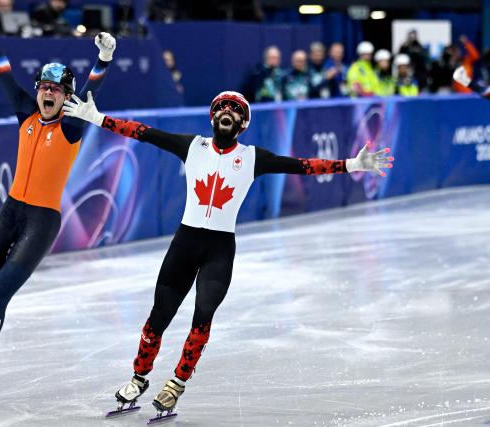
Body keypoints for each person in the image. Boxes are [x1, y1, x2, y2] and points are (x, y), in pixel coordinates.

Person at [62, 90, 394, 416]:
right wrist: (96, 118)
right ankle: (138, 378)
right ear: (212, 116)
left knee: (202, 318)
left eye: (235, 109)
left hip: (219, 250)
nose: (227, 111)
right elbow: (143, 133)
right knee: (157, 318)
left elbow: (303, 166)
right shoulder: (192, 147)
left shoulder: (253, 158)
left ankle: (175, 384)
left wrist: (352, 164)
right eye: (222, 106)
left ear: (243, 123)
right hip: (185, 244)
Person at [0, 3, 116, 398]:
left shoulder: (71, 125)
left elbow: (91, 89)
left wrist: (104, 59)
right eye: (44, 88)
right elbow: (1, 68)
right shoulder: (26, 115)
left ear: (66, 96)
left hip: (42, 220)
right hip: (12, 211)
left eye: (57, 89)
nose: (48, 93)